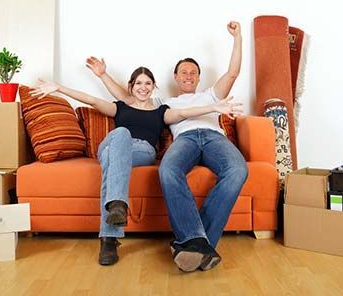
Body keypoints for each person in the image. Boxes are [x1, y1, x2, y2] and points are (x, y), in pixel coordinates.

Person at [31, 66, 242, 266]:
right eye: (139, 83)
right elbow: (91, 100)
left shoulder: (162, 111)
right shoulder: (120, 107)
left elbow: (185, 113)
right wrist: (59, 88)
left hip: (142, 152)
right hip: (113, 146)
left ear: (154, 87)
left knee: (113, 164)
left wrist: (214, 107)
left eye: (148, 83)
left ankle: (109, 238)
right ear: (131, 87)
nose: (143, 87)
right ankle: (115, 214)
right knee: (121, 134)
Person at [85, 21, 246, 272]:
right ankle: (197, 245)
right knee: (167, 170)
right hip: (186, 140)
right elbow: (127, 98)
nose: (189, 76)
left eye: (193, 73)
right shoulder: (164, 103)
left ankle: (196, 243)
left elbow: (233, 73)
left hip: (215, 137)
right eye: (184, 72)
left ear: (199, 77)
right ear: (175, 77)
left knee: (238, 170)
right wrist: (103, 75)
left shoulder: (213, 95)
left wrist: (238, 37)